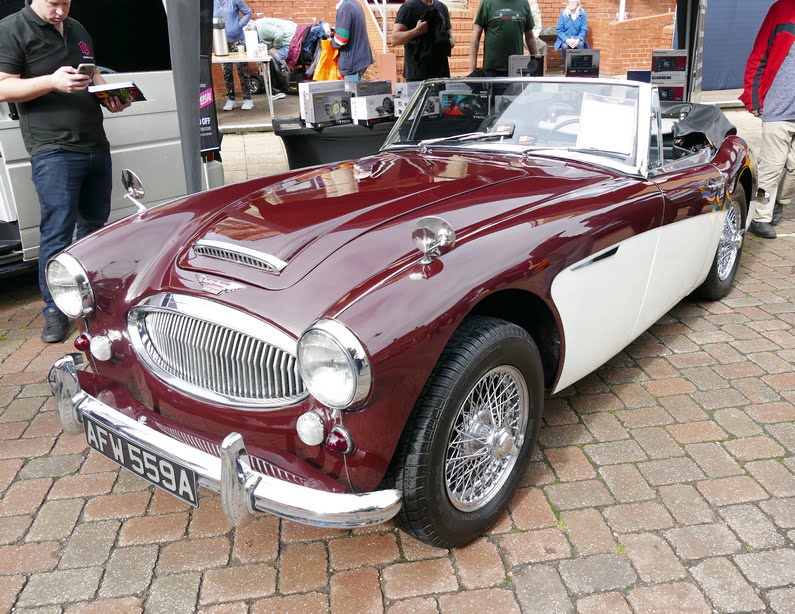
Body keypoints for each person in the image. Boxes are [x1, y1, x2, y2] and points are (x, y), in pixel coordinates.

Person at [0, 0, 131, 343]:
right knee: (57, 233)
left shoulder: (78, 28)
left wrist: (111, 96)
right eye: (53, 4)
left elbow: (93, 74)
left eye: (65, 2)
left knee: (94, 229)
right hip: (53, 149)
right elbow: (3, 86)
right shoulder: (12, 29)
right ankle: (54, 311)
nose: (60, 11)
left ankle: (91, 301)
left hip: (94, 144)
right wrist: (51, 82)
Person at [740, 0, 795, 239]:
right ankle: (761, 216)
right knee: (772, 166)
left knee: (793, 169)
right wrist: (753, 99)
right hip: (778, 110)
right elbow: (758, 56)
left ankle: (779, 201)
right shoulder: (782, 9)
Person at [468, 0, 539, 77]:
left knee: (516, 89)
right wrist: (472, 71)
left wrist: (538, 66)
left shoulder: (523, 3)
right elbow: (476, 37)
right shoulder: (487, 2)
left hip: (517, 68)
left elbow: (530, 38)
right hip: (492, 70)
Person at [392, 0, 455, 81]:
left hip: (441, 75)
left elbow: (451, 37)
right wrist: (417, 31)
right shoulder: (409, 7)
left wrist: (448, 43)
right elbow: (395, 39)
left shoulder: (442, 7)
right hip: (417, 76)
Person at [213, 0, 254, 111]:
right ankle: (231, 99)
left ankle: (247, 98)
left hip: (237, 40)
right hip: (221, 41)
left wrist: (239, 25)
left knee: (242, 69)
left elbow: (248, 13)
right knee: (226, 71)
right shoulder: (211, 2)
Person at [332, 0, 374, 82]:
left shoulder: (344, 9)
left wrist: (331, 42)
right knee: (357, 91)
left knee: (352, 92)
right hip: (361, 58)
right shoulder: (356, 4)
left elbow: (341, 40)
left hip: (351, 61)